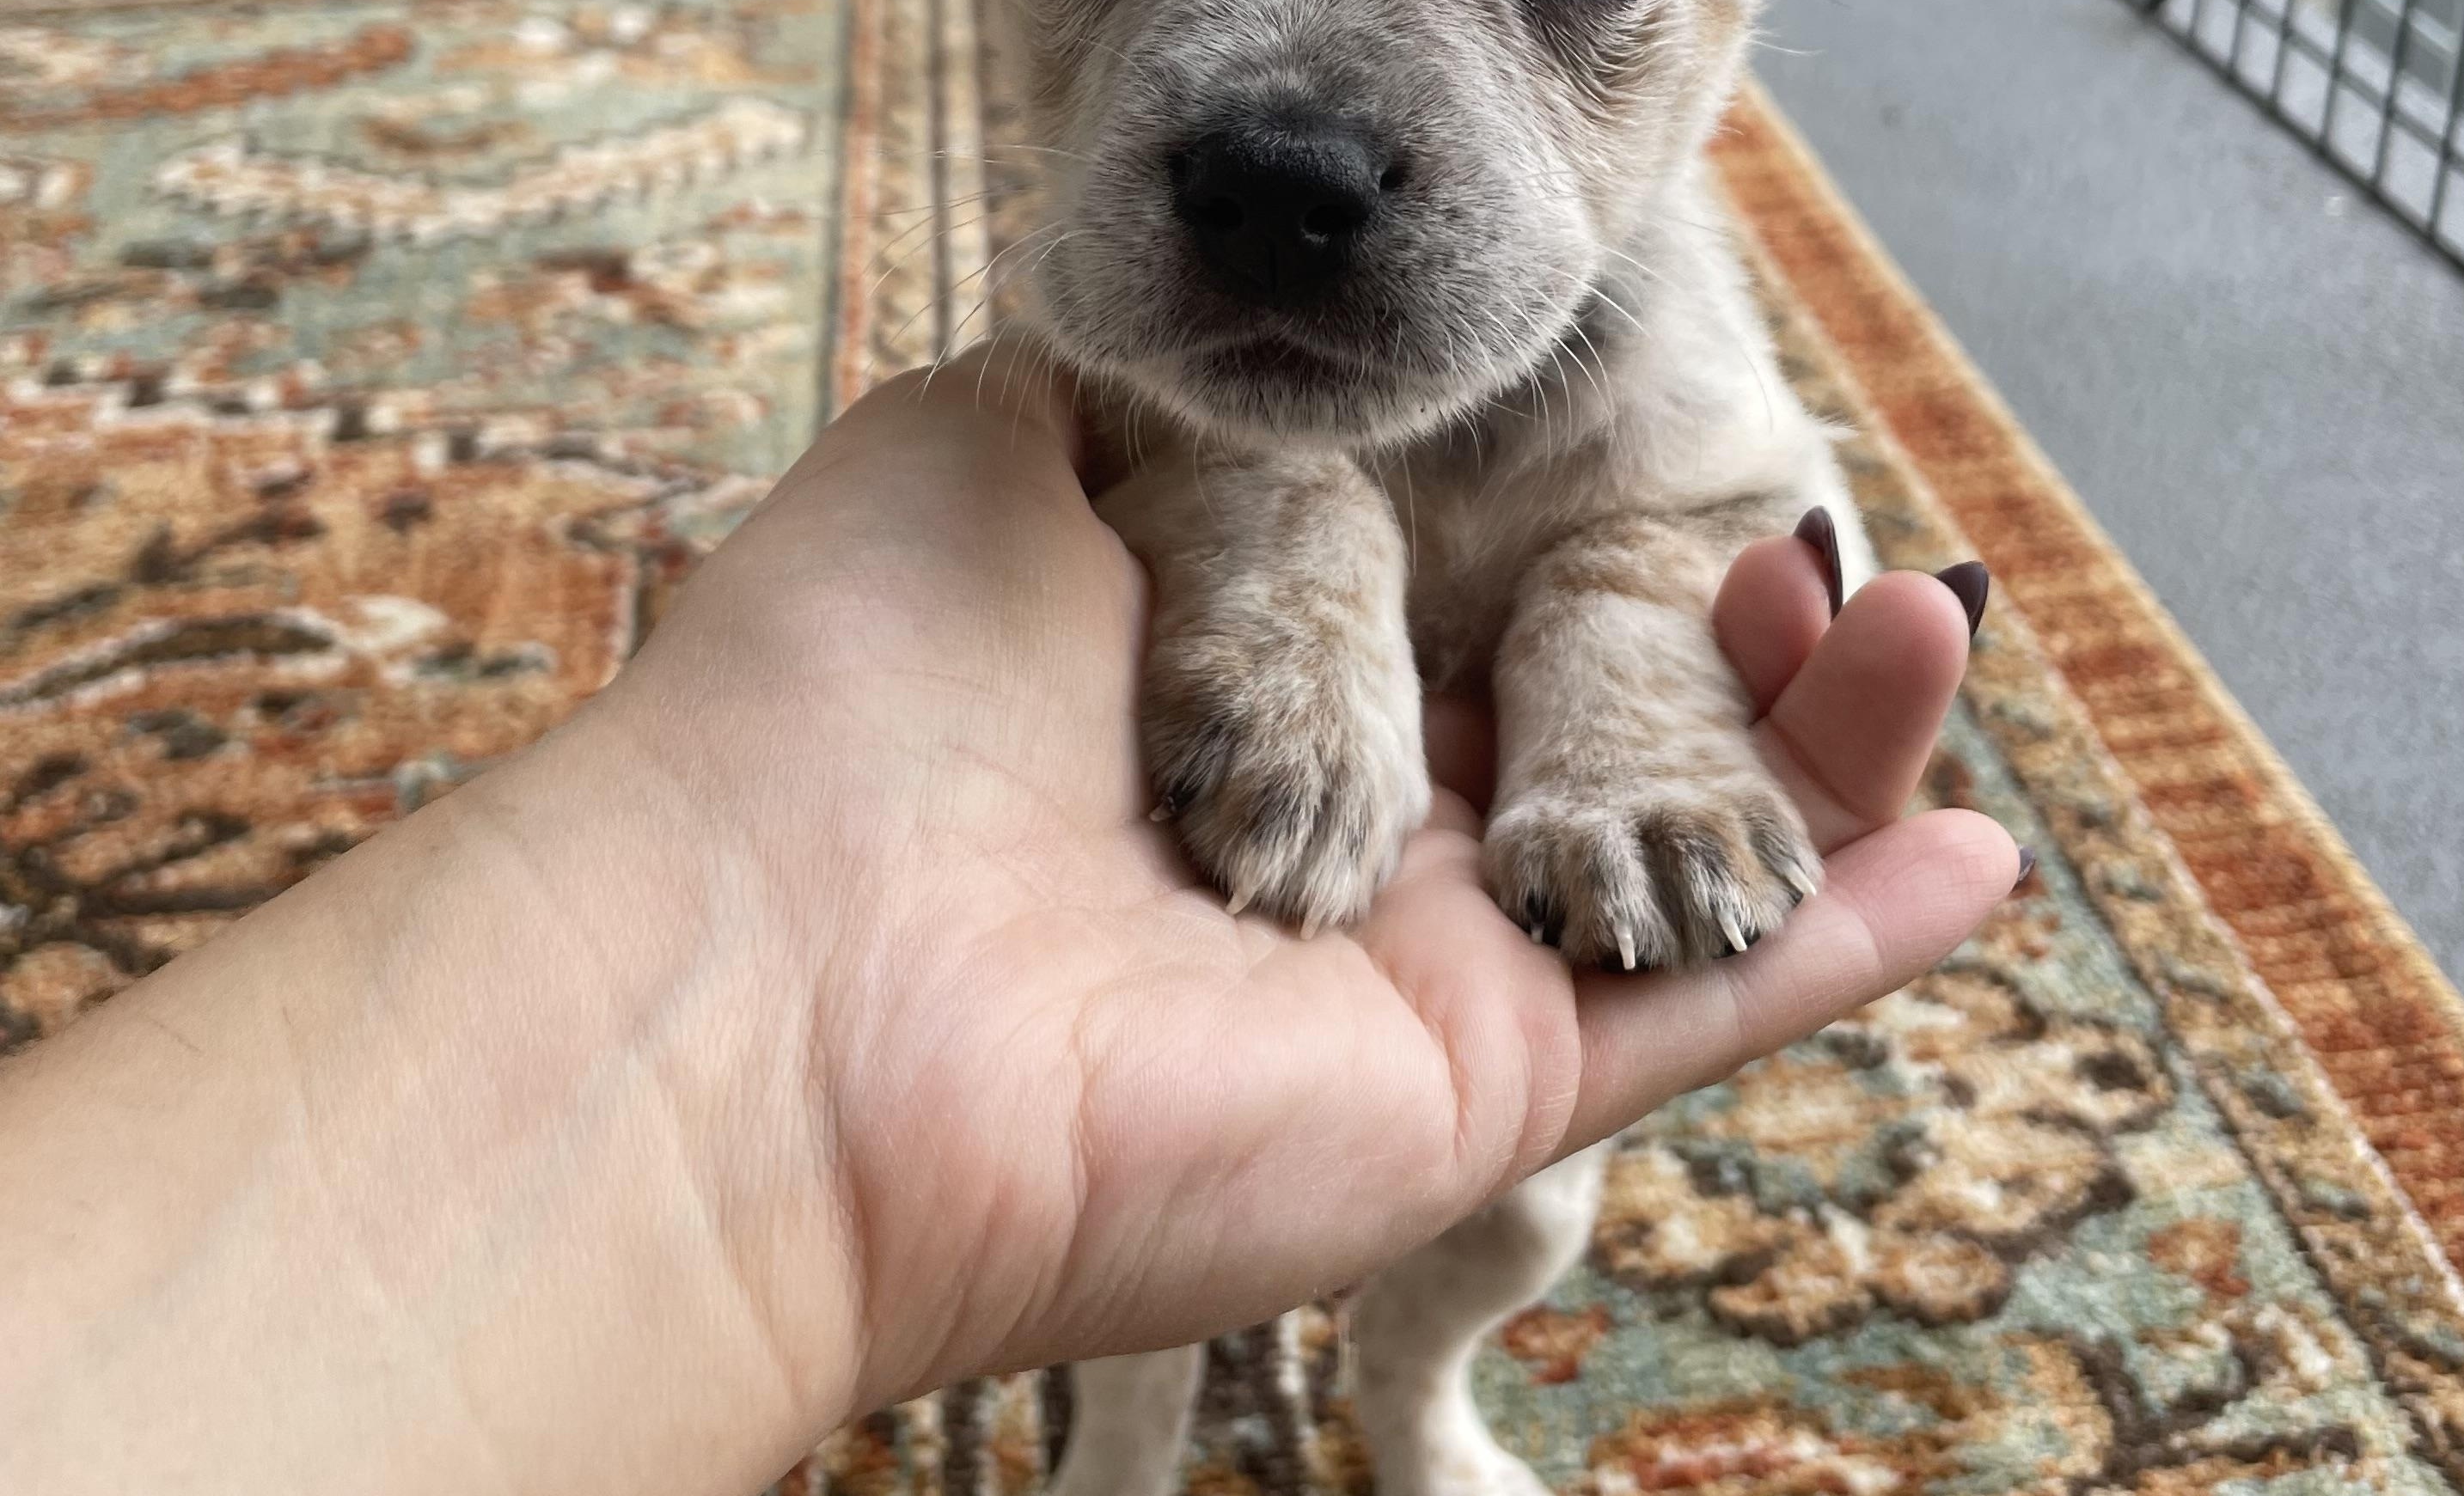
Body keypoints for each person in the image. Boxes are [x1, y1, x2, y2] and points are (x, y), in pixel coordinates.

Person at [0, 346, 2020, 1492]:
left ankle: (1414, 1398)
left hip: (1454, 920)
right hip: (1130, 895)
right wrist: (1274, 509)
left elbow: (1727, 510)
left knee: (1523, 1210)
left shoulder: (1681, 358)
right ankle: (1125, 1423)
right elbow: (1131, 455)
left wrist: (1617, 634)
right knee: (1158, 1271)